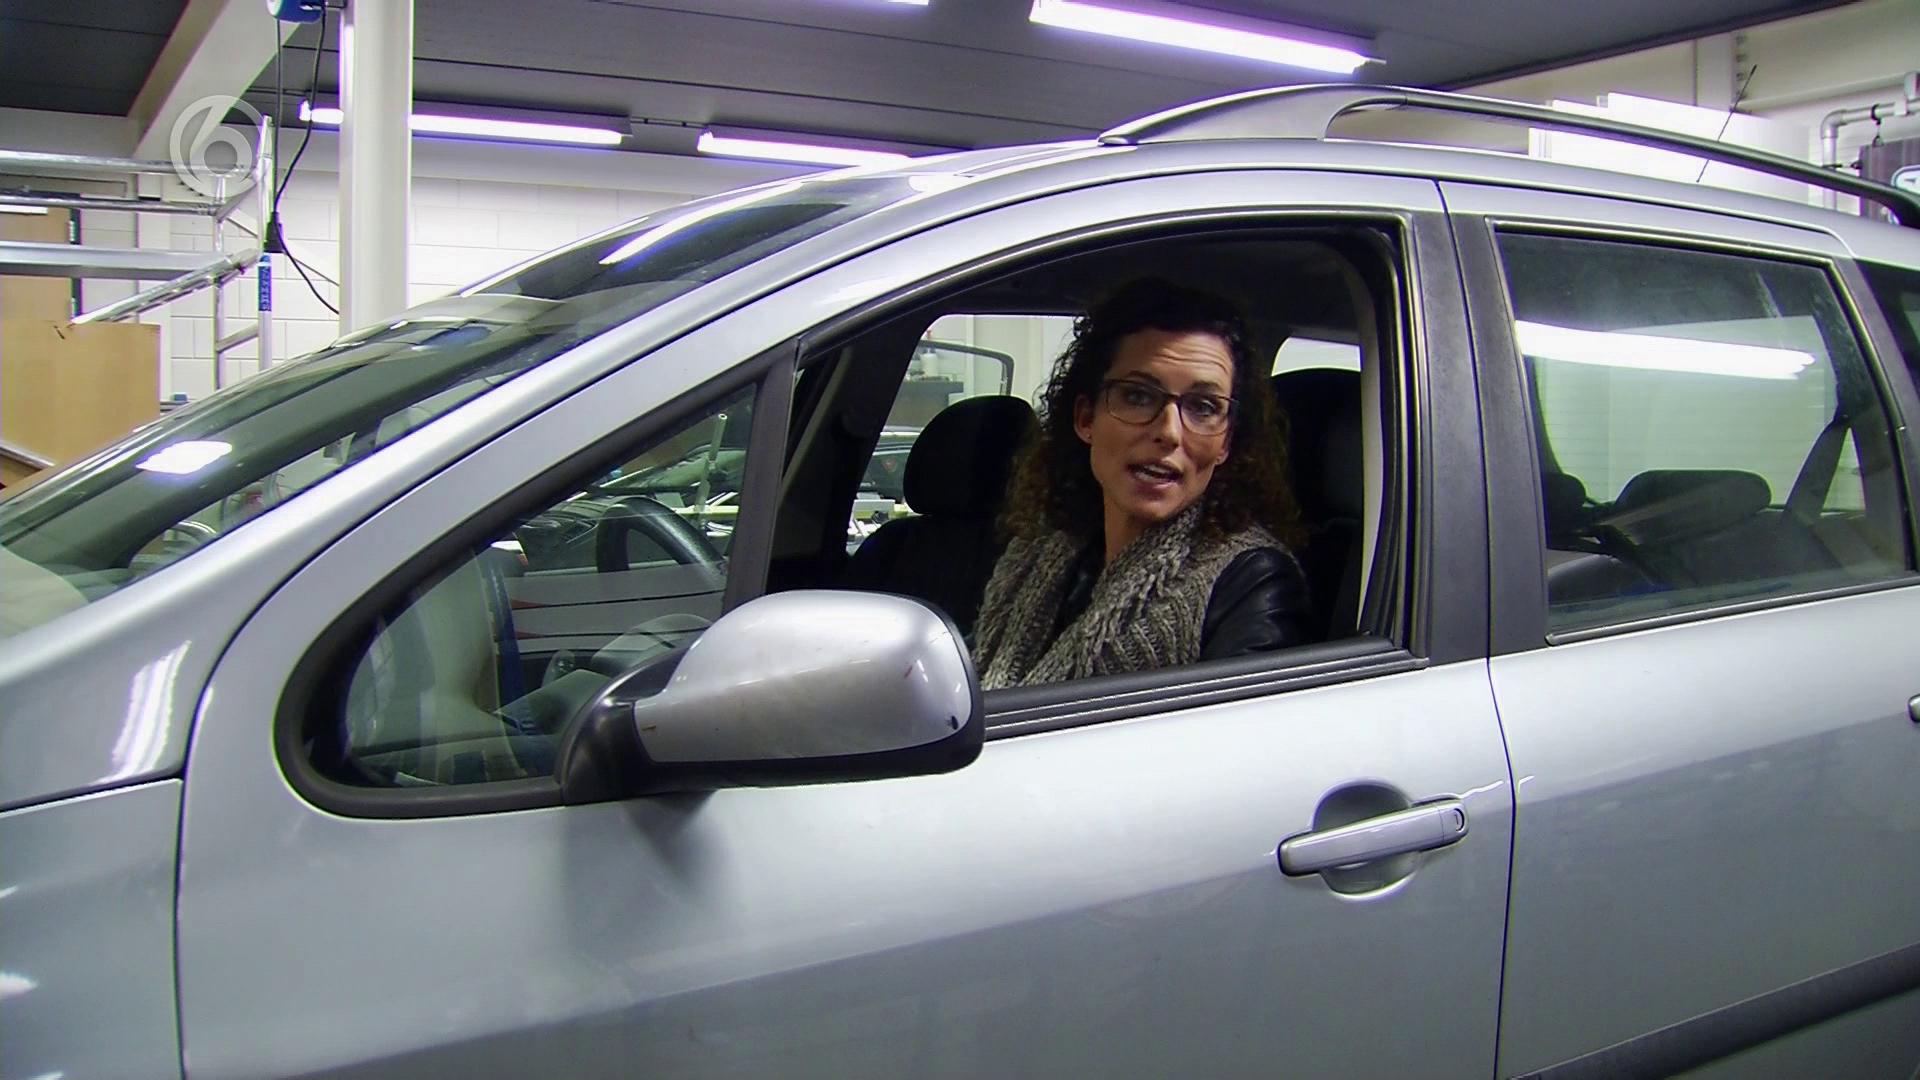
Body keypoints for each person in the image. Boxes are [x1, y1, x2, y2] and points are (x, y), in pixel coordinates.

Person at [971, 278, 1314, 689]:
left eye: (1203, 407)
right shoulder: (1040, 551)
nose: (1169, 432)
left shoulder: (1253, 582)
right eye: (1138, 397)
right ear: (1086, 418)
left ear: (1225, 442)